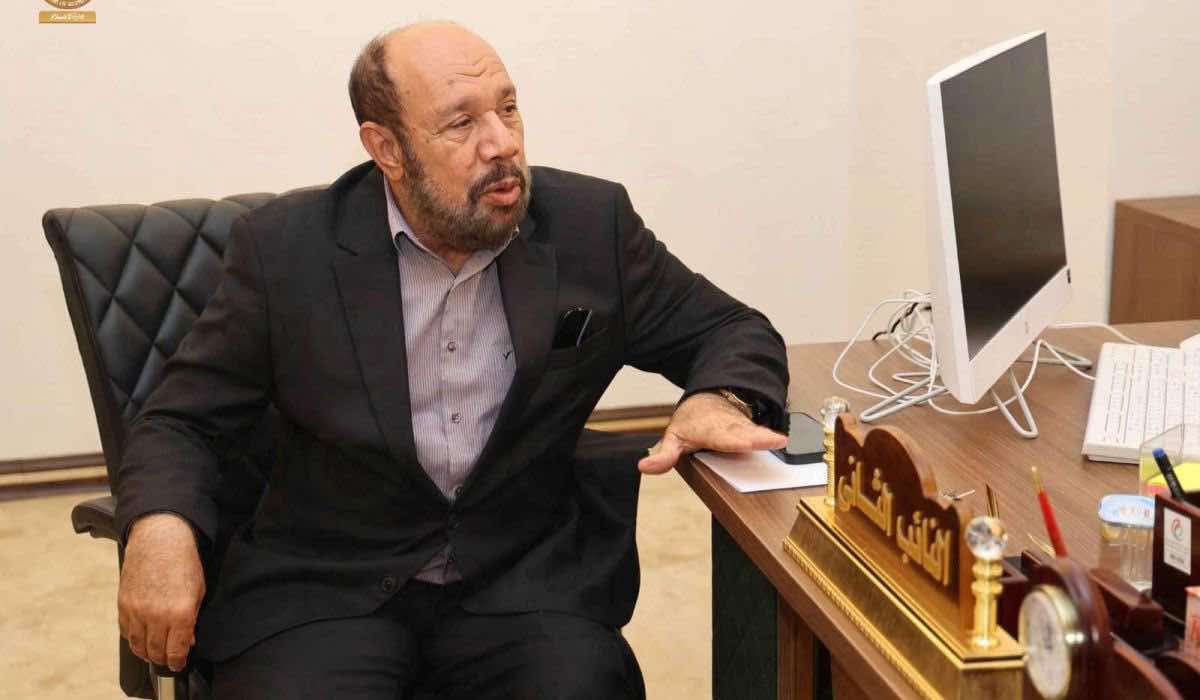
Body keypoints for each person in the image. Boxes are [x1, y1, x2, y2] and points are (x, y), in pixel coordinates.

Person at [114, 21, 788, 699]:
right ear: (387, 148)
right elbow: (180, 420)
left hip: (520, 582)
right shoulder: (287, 250)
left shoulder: (591, 225)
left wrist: (719, 396)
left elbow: (728, 328)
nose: (502, 143)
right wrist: (160, 529)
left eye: (508, 108)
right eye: (461, 123)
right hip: (333, 584)